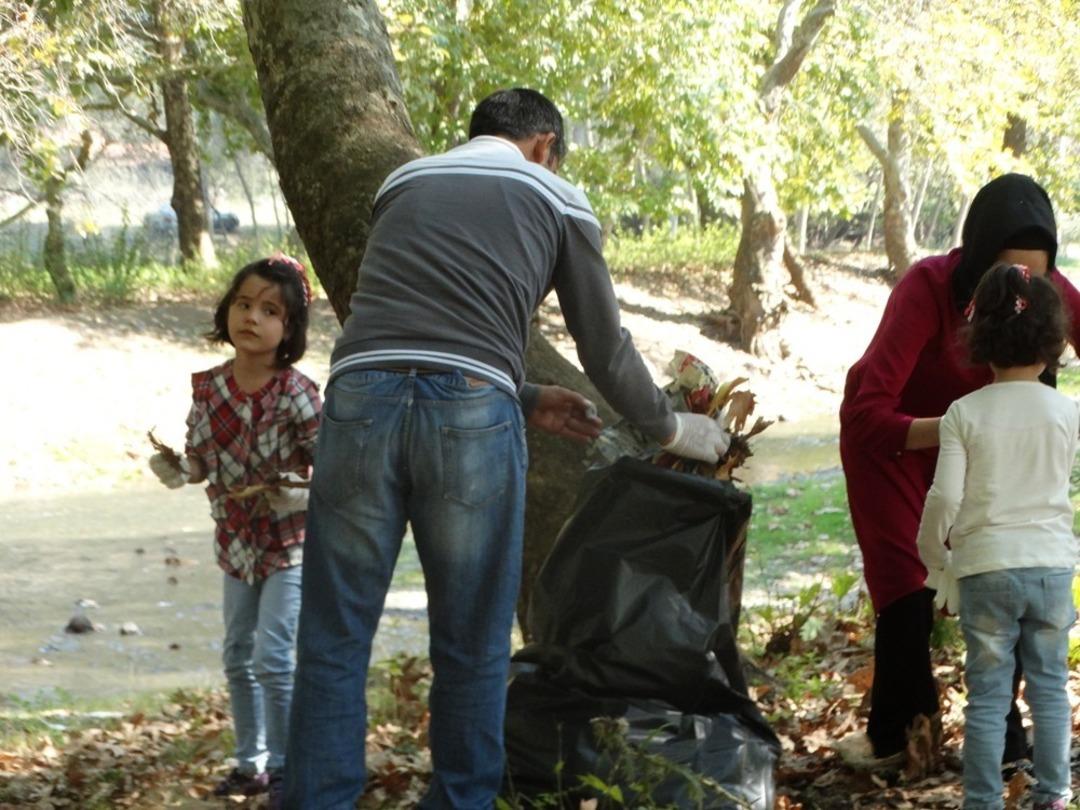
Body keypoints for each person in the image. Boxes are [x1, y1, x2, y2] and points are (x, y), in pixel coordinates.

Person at [283, 87, 729, 809]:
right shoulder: (555, 194)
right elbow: (603, 346)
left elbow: (411, 326)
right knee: (470, 645)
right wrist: (672, 428)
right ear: (545, 145)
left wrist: (522, 396)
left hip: (357, 400)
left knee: (333, 637)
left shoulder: (405, 181)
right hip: (468, 417)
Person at [836, 173, 1080, 769]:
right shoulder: (926, 289)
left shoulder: (1053, 293)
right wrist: (960, 427)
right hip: (895, 445)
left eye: (1037, 277)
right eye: (1010, 277)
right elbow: (870, 416)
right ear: (976, 267)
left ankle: (1003, 737)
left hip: (982, 445)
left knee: (1010, 565)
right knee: (907, 583)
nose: (1025, 290)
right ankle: (898, 736)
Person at [149, 255, 321, 809]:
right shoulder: (210, 389)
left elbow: (330, 466)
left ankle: (286, 770)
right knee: (236, 653)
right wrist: (182, 470)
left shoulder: (297, 391)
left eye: (269, 310)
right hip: (235, 541)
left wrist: (298, 487)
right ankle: (249, 763)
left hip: (290, 543)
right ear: (227, 312)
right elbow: (201, 459)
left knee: (274, 656)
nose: (252, 318)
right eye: (243, 305)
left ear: (289, 329)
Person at [915, 262, 1077, 810]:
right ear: (1053, 341)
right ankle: (1054, 795)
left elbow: (944, 499)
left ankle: (982, 802)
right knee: (1051, 688)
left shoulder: (963, 413)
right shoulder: (1066, 412)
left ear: (978, 336)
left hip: (984, 567)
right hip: (1051, 566)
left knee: (987, 697)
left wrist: (934, 558)